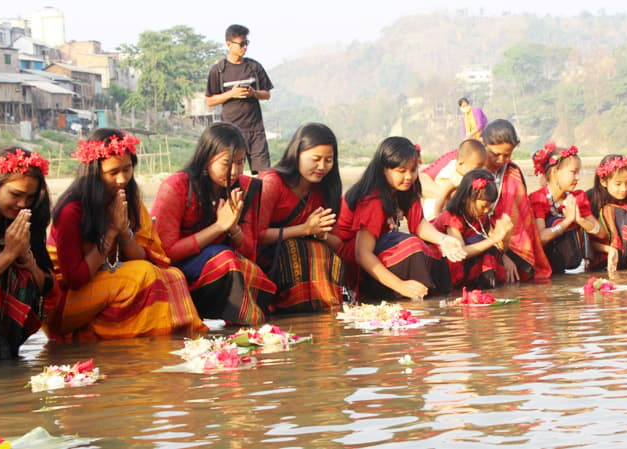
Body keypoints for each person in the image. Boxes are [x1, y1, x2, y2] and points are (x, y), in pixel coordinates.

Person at [46, 130, 205, 341]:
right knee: (142, 275)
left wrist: (123, 232)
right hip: (64, 303)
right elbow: (76, 279)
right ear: (93, 172)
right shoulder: (71, 211)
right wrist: (111, 231)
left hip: (103, 282)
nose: (122, 179)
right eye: (113, 172)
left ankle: (172, 342)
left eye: (127, 169)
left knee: (172, 276)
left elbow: (146, 258)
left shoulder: (128, 202)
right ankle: (152, 344)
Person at [151, 122, 275, 325]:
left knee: (238, 264)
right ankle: (242, 325)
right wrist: (218, 227)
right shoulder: (176, 187)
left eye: (240, 162)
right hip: (179, 270)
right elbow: (165, 252)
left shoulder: (245, 188)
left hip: (224, 266)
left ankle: (243, 328)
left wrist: (233, 228)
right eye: (226, 164)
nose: (234, 171)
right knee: (225, 259)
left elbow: (249, 252)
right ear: (206, 159)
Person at [334, 136, 466, 300]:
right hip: (353, 255)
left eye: (413, 170)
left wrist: (444, 240)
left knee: (435, 249)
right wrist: (400, 286)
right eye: (401, 171)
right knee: (411, 245)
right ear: (383, 169)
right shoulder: (373, 198)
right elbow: (362, 254)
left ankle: (436, 300)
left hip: (376, 244)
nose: (409, 177)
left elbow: (418, 224)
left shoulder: (406, 188)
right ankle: (409, 296)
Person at [423, 119, 552, 281]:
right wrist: (457, 200)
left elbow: (512, 219)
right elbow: (423, 179)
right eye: (495, 154)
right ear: (483, 144)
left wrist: (504, 251)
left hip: (488, 234)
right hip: (455, 229)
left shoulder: (511, 172)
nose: (501, 160)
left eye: (507, 155)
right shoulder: (466, 156)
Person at [257, 123, 345, 314]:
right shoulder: (272, 183)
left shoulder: (325, 190)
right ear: (296, 154)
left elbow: (337, 242)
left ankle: (325, 316)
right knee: (298, 248)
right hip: (269, 260)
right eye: (316, 159)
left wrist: (320, 234)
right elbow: (256, 236)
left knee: (321, 251)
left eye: (328, 160)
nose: (322, 166)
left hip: (308, 259)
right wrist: (304, 230)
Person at [0, 148, 52, 361]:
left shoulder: (27, 220)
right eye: (16, 195)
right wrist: (8, 254)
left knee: (23, 275)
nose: (22, 204)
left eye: (30, 197)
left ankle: (5, 353)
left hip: (6, 336)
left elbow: (46, 284)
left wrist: (29, 262)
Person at [206, 24, 274, 174]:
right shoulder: (218, 70)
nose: (245, 47)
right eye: (241, 44)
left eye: (246, 43)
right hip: (231, 132)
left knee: (264, 175)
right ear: (228, 44)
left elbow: (267, 94)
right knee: (233, 173)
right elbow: (210, 100)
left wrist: (253, 93)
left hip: (256, 131)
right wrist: (232, 93)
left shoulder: (254, 67)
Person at [529, 143, 607, 274]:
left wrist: (580, 220)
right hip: (550, 267)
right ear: (554, 172)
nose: (578, 177)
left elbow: (601, 233)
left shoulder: (577, 197)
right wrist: (567, 221)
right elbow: (541, 238)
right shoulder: (538, 199)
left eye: (579, 172)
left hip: (577, 267)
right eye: (573, 172)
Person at [431, 169, 513, 289]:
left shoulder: (480, 216)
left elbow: (497, 246)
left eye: (489, 207)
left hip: (467, 264)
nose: (486, 211)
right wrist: (495, 238)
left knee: (488, 248)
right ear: (466, 198)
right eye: (483, 206)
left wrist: (506, 237)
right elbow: (460, 252)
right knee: (481, 241)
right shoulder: (452, 217)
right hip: (444, 266)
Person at [422, 139, 486, 220]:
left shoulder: (464, 172)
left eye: (482, 167)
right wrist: (438, 217)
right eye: (477, 168)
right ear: (461, 164)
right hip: (434, 211)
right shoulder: (454, 176)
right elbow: (441, 195)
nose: (479, 171)